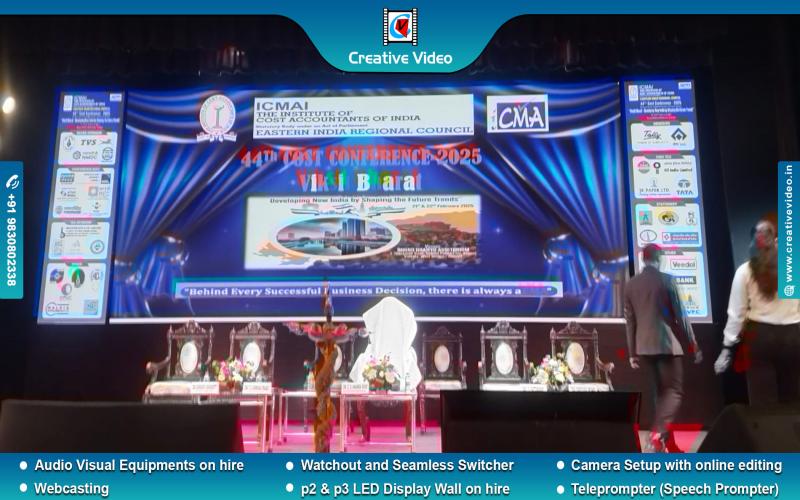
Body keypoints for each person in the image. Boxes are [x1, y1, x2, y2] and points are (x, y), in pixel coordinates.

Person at [714, 215, 800, 406]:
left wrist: (727, 347)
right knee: (794, 402)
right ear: (777, 240)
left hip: (758, 338)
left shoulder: (745, 270)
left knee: (762, 405)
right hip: (794, 338)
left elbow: (736, 315)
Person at [625, 243, 702, 452]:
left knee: (660, 395)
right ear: (659, 258)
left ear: (643, 259)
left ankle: (665, 444)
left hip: (644, 347)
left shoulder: (631, 284)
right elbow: (681, 316)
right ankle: (656, 434)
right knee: (674, 391)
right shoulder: (668, 280)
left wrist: (632, 353)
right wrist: (693, 343)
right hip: (666, 344)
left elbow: (630, 321)